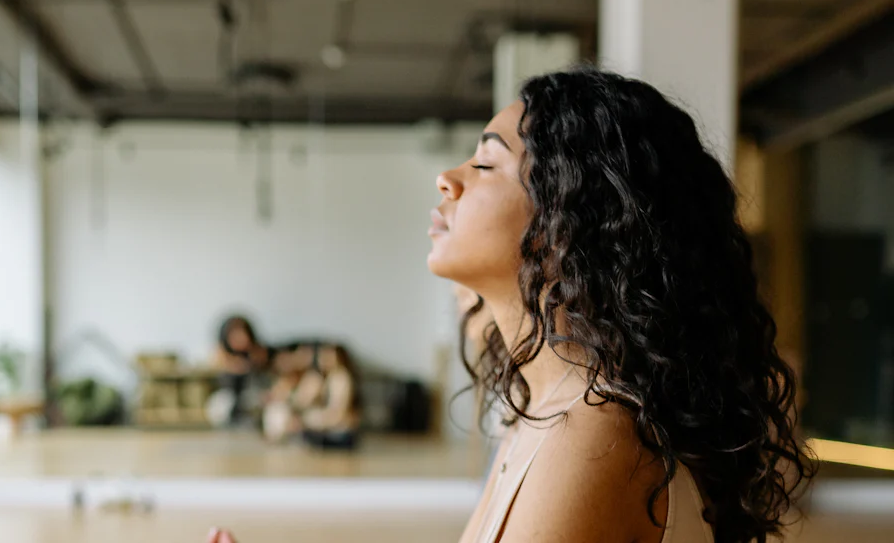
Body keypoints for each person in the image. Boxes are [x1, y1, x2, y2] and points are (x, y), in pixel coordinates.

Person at [208, 69, 815, 543]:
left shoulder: (593, 439)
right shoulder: (552, 416)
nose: (447, 178)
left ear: (566, 225)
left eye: (485, 163)